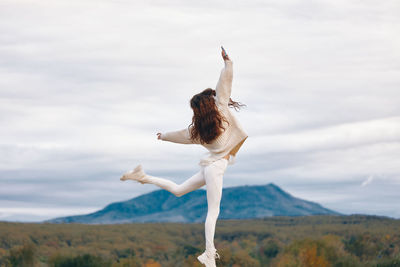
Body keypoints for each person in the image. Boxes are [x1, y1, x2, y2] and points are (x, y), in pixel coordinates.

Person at [120, 46, 248, 267]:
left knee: (179, 190)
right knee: (213, 211)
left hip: (211, 167)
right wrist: (228, 63)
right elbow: (224, 84)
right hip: (215, 168)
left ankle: (141, 176)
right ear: (211, 103)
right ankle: (209, 255)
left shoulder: (197, 132)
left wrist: (163, 136)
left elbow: (180, 135)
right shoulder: (221, 109)